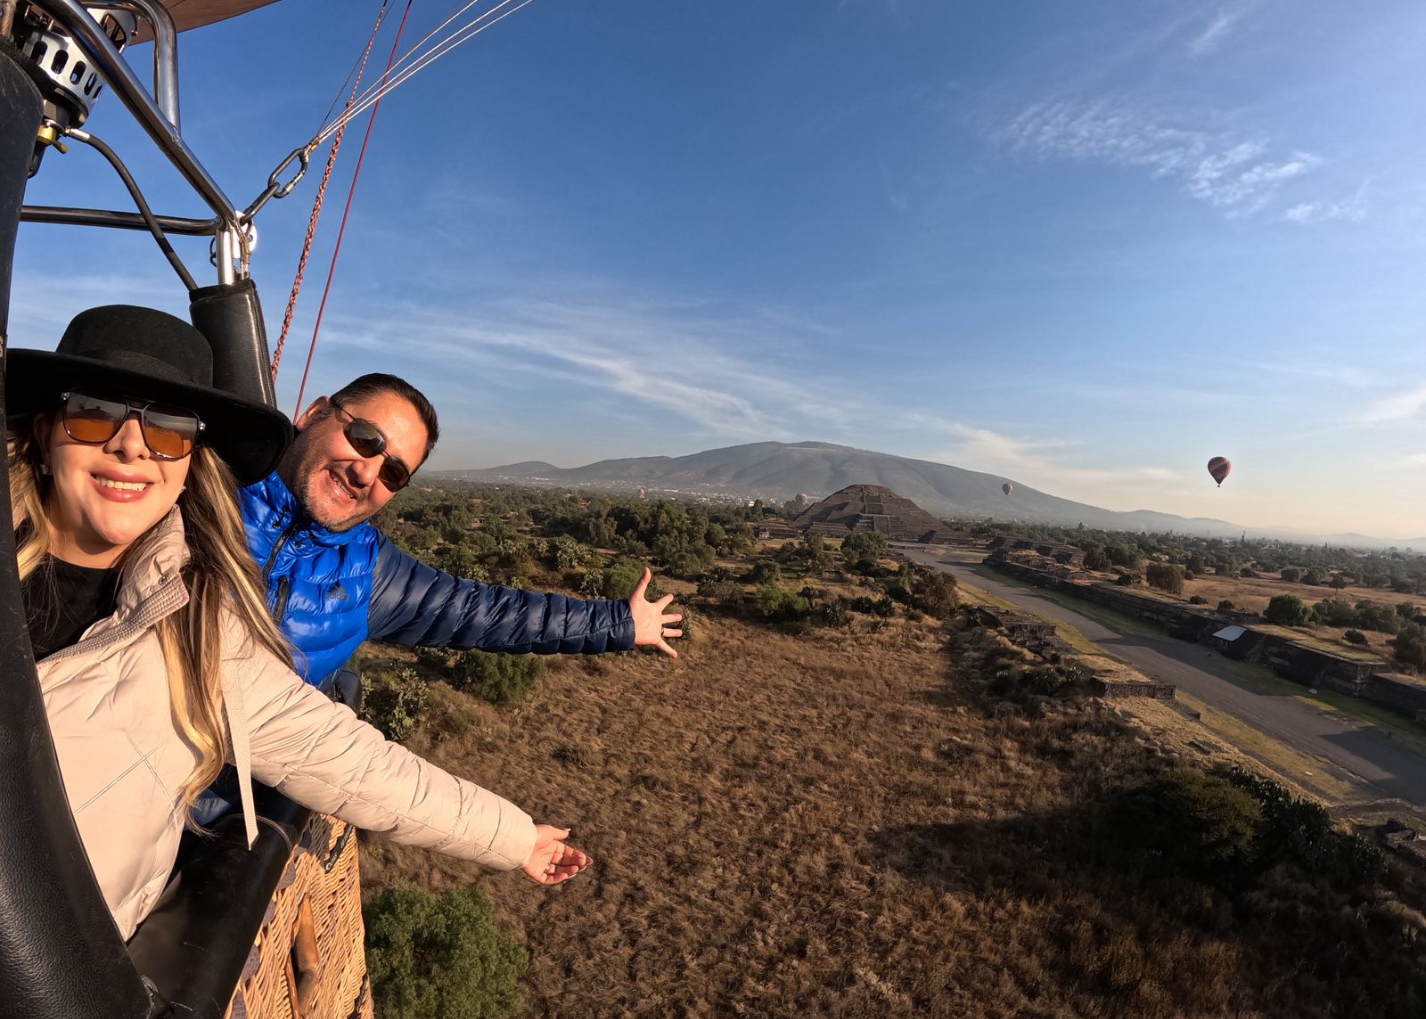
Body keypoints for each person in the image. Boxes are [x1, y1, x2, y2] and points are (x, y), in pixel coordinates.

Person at [9, 305, 588, 941]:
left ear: (189, 461)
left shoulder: (201, 621)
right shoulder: (220, 543)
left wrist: (512, 838)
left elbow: (357, 752)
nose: (131, 445)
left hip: (64, 958)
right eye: (96, 413)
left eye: (170, 430)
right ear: (44, 428)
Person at [240, 372, 683, 693]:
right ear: (315, 413)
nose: (364, 472)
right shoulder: (201, 492)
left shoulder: (369, 573)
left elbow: (486, 613)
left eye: (393, 472)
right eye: (365, 437)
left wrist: (619, 622)